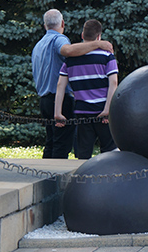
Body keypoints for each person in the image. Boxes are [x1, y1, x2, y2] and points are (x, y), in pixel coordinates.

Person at [32, 9, 113, 158]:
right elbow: (68, 51)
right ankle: (57, 173)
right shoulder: (59, 39)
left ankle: (45, 171)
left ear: (45, 25)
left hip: (44, 100)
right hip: (60, 100)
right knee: (61, 145)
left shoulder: (39, 45)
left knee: (51, 142)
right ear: (62, 23)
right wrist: (98, 44)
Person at [54, 19, 118, 158]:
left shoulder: (70, 60)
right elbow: (113, 83)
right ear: (99, 37)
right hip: (103, 111)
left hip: (82, 111)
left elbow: (60, 85)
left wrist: (58, 112)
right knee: (110, 151)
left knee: (83, 152)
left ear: (82, 35)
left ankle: (82, 172)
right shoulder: (107, 56)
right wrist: (107, 109)